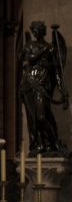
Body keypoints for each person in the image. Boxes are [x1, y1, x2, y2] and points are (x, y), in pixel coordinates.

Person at [19, 20, 69, 156]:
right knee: (32, 118)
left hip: (42, 85)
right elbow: (27, 58)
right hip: (29, 83)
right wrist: (43, 51)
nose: (36, 32)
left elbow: (57, 71)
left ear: (43, 31)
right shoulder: (30, 45)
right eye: (34, 30)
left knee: (41, 116)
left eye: (38, 30)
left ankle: (55, 144)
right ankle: (40, 145)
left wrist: (62, 89)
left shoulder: (52, 48)